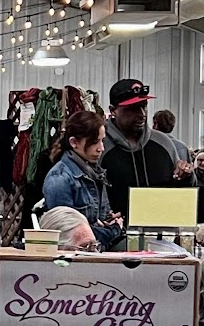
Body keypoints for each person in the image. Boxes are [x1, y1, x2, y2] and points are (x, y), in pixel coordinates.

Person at [101, 79, 193, 221]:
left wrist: (186, 177)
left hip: (162, 235)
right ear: (113, 110)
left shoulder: (164, 143)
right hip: (114, 237)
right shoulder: (100, 148)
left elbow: (182, 194)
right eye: (132, 108)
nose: (142, 114)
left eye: (144, 106)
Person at [41, 109, 124, 250]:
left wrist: (109, 220)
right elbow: (67, 234)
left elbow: (101, 217)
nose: (101, 148)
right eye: (94, 142)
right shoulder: (59, 179)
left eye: (102, 141)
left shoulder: (96, 173)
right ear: (74, 142)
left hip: (96, 254)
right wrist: (114, 230)